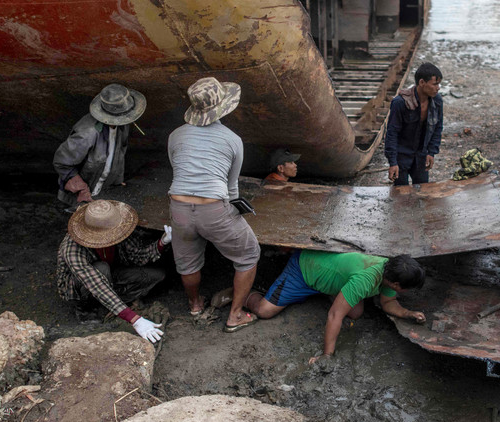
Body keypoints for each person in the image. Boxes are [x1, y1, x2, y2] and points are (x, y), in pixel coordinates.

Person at [168, 77, 260, 332]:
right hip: (214, 208)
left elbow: (178, 169)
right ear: (223, 106)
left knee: (187, 262)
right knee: (249, 254)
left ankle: (195, 305)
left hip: (179, 207)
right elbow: (232, 187)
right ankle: (236, 315)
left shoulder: (175, 136)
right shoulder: (232, 139)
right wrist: (234, 211)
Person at [239, 250, 426, 362]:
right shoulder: (365, 280)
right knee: (264, 311)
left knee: (356, 312)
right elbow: (334, 316)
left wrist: (408, 313)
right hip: (305, 268)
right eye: (406, 289)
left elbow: (388, 303)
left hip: (327, 272)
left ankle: (330, 290)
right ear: (395, 284)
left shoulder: (388, 271)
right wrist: (327, 355)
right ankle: (243, 293)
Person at [55, 200, 168, 343]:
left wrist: (161, 243)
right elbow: (95, 283)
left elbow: (137, 255)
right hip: (83, 283)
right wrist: (134, 319)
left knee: (156, 275)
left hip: (111, 273)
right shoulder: (72, 248)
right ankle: (85, 309)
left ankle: (112, 302)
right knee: (102, 268)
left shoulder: (119, 229)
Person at [54, 84, 146, 209]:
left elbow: (120, 152)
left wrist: (117, 181)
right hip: (82, 193)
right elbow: (62, 162)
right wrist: (82, 189)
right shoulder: (88, 132)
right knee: (79, 223)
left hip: (102, 188)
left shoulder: (122, 124)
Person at [385, 63, 444, 186]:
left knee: (423, 192)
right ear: (422, 82)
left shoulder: (436, 101)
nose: (438, 88)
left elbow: (437, 128)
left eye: (438, 84)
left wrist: (431, 152)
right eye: (435, 84)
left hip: (421, 156)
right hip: (402, 156)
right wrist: (393, 162)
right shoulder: (400, 103)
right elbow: (392, 133)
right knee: (401, 196)